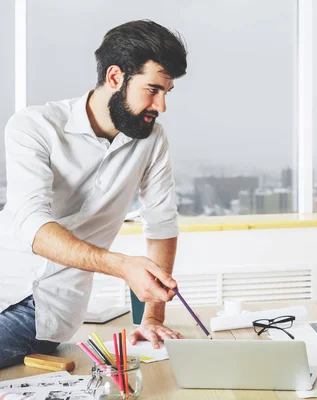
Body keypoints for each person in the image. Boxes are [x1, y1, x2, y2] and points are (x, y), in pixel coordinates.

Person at [0, 20, 188, 368]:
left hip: (43, 308)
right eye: (152, 90)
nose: (161, 106)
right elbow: (30, 224)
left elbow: (161, 224)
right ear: (115, 77)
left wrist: (153, 319)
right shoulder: (34, 125)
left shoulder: (153, 141)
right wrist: (120, 266)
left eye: (166, 92)